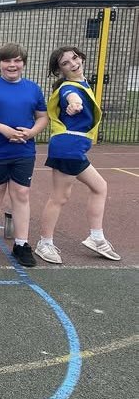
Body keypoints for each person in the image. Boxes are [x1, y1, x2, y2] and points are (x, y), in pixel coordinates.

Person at [35, 46, 121, 264]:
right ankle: (44, 243)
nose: (73, 63)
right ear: (60, 70)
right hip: (68, 148)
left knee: (100, 187)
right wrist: (75, 104)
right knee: (59, 197)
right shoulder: (69, 88)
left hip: (74, 148)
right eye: (66, 63)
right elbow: (72, 98)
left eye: (74, 58)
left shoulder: (83, 83)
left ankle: (96, 237)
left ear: (81, 57)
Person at [0, 42, 48, 267]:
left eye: (17, 60)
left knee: (21, 194)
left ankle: (22, 243)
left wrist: (32, 131)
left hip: (24, 149)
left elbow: (42, 117)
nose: (12, 65)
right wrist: (3, 129)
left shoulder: (33, 88)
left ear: (23, 63)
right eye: (7, 61)